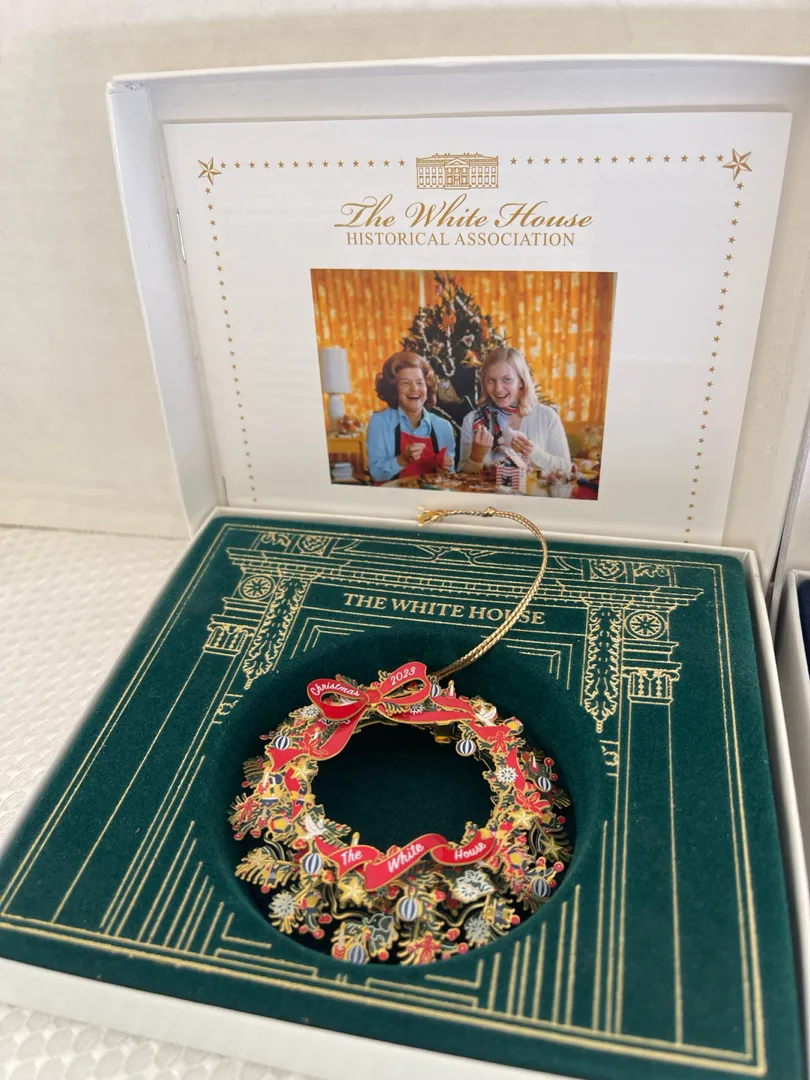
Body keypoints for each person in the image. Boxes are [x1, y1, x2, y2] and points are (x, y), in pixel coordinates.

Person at [459, 347, 571, 476]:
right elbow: (460, 477)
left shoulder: (546, 416)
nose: (498, 389)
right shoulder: (472, 420)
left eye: (506, 380)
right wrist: (476, 457)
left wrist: (533, 453)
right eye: (491, 380)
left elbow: (566, 468)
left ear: (521, 382)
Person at [365, 352, 456, 484]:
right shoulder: (379, 422)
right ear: (394, 390)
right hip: (391, 495)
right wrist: (402, 460)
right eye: (406, 383)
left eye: (420, 382)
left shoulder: (443, 426)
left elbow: (450, 476)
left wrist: (444, 469)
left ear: (427, 388)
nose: (414, 388)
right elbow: (376, 474)